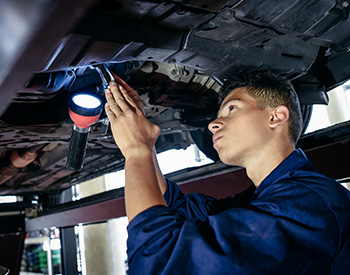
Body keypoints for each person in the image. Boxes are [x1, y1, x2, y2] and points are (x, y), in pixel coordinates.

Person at [105, 70, 350, 274]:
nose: (212, 124)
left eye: (231, 109)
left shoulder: (312, 205)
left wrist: (137, 150)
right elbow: (179, 210)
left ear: (276, 117)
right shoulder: (271, 198)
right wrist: (143, 144)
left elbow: (164, 263)